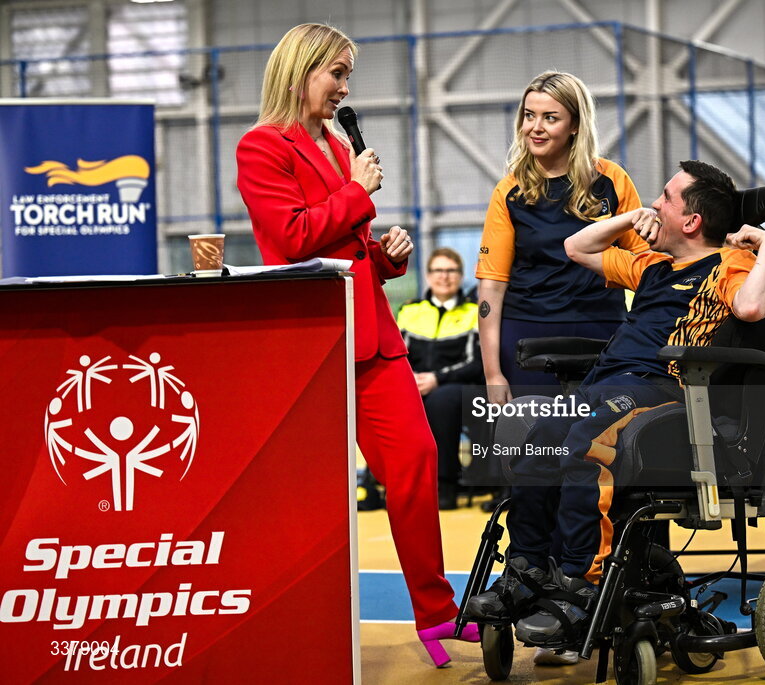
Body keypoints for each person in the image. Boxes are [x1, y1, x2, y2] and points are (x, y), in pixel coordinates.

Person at [234, 23, 477, 667]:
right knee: (301, 492)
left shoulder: (342, 147)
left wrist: (387, 253)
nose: (344, 88)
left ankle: (436, 615)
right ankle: (288, 613)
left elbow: (343, 243)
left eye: (348, 75)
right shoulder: (262, 146)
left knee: (417, 462)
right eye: (335, 74)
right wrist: (356, 193)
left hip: (374, 339)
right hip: (310, 345)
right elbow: (288, 239)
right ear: (299, 72)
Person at [466, 160, 765, 645]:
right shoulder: (653, 266)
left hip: (661, 390)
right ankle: (527, 570)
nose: (653, 204)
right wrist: (629, 220)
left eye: (666, 199)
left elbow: (753, 307)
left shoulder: (726, 264)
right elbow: (577, 246)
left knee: (585, 448)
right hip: (607, 385)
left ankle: (579, 584)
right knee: (537, 443)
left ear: (692, 222)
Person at [475, 71, 649, 406]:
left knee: (599, 444)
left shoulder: (612, 180)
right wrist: (492, 373)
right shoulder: (509, 191)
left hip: (601, 327)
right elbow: (491, 286)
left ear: (575, 126)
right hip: (527, 331)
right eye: (529, 116)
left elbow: (644, 265)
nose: (535, 127)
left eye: (550, 118)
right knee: (533, 445)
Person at [396, 248, 483, 510]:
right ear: (429, 275)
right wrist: (409, 379)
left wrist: (437, 378)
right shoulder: (410, 310)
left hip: (458, 387)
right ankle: (391, 484)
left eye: (451, 270)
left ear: (460, 275)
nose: (444, 277)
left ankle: (445, 483)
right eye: (438, 270)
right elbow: (397, 353)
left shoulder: (474, 312)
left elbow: (476, 363)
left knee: (440, 400)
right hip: (415, 384)